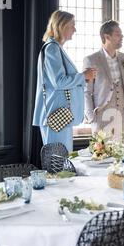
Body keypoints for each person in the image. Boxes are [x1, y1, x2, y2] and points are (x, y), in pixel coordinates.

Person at [32, 10, 97, 152]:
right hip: (56, 114)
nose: (75, 29)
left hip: (60, 115)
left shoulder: (56, 48)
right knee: (59, 163)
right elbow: (59, 82)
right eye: (72, 25)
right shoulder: (52, 49)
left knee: (61, 162)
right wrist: (84, 76)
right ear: (61, 26)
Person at [83, 20, 124, 141]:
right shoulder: (91, 60)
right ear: (107, 37)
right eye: (118, 34)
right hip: (101, 118)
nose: (122, 37)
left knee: (123, 155)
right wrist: (91, 117)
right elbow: (86, 91)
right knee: (103, 155)